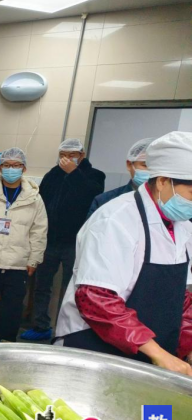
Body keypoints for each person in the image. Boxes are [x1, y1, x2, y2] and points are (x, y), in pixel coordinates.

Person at [55, 132, 192, 376]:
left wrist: (187, 347)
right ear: (163, 181)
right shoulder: (115, 219)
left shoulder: (184, 227)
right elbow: (96, 300)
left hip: (153, 352)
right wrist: (158, 354)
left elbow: (180, 297)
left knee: (153, 404)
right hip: (95, 347)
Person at [22, 138, 105, 341]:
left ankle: (66, 330)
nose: (66, 159)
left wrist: (74, 173)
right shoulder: (53, 174)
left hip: (74, 243)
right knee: (42, 286)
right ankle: (40, 326)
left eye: (71, 155)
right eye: (62, 155)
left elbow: (91, 194)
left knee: (71, 288)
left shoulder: (95, 175)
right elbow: (42, 201)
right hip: (50, 240)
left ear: (82, 155)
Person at [0, 147, 48, 343]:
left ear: (24, 168)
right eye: (7, 165)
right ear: (0, 168)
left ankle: (7, 338)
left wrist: (34, 259)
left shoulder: (34, 199)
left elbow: (39, 231)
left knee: (13, 306)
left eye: (16, 165)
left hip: (18, 263)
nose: (11, 169)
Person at [87, 138, 154, 218]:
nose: (152, 171)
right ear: (129, 165)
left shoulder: (166, 204)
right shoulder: (105, 201)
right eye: (145, 165)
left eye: (157, 166)